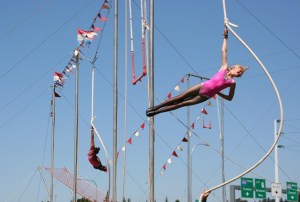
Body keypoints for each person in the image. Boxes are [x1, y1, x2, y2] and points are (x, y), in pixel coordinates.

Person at [146, 29, 247, 117]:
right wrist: (225, 37)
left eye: (240, 73)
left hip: (205, 96)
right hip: (202, 86)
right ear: (234, 68)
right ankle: (156, 107)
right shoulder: (224, 68)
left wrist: (219, 93)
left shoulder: (232, 83)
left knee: (181, 104)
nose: (239, 73)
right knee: (180, 97)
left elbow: (230, 98)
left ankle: (156, 113)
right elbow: (224, 51)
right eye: (239, 71)